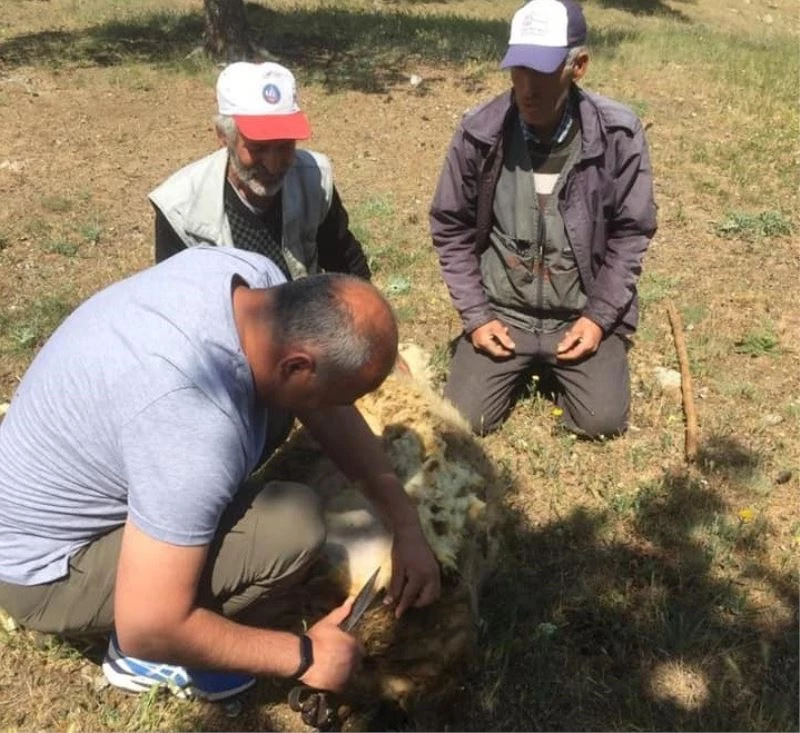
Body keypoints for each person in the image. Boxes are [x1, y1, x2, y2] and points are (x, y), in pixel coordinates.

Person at [0, 247, 439, 701]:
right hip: (46, 573)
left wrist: (404, 521)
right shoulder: (192, 420)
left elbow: (328, 412)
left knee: (278, 411)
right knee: (290, 527)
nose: (338, 409)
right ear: (297, 366)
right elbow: (148, 623)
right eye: (337, 396)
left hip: (55, 485)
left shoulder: (254, 279)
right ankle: (146, 662)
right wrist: (305, 654)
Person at [430, 0, 657, 439]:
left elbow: (632, 233)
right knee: (465, 420)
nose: (526, 89)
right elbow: (450, 224)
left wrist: (597, 319)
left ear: (579, 66)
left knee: (602, 422)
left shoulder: (618, 135)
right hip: (504, 312)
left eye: (542, 73)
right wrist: (477, 317)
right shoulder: (480, 132)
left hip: (579, 312)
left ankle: (579, 360)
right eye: (518, 71)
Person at [149, 61, 370, 281]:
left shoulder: (314, 179)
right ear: (223, 136)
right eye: (258, 148)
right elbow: (176, 302)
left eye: (285, 146)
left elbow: (346, 265)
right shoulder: (180, 208)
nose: (273, 165)